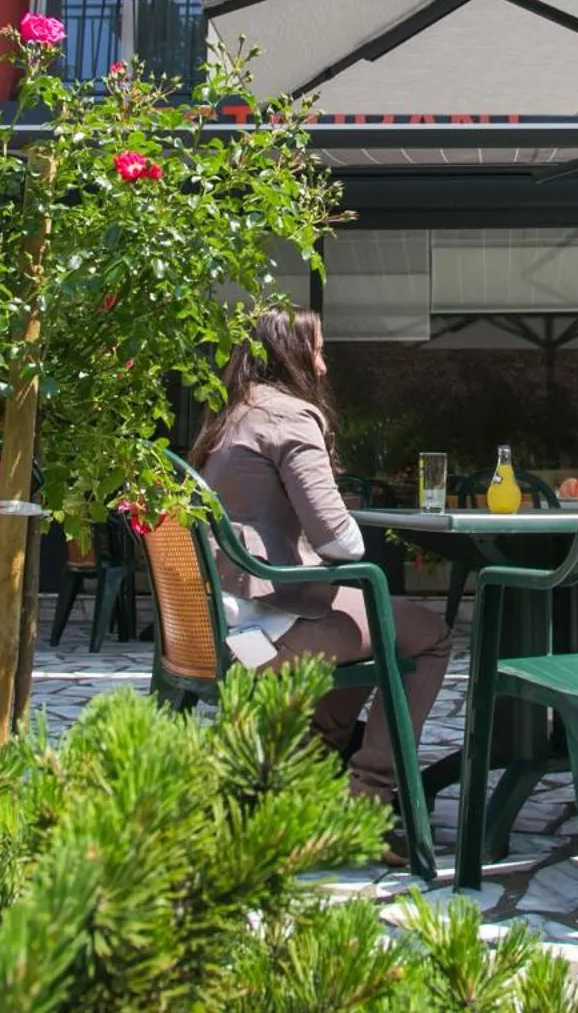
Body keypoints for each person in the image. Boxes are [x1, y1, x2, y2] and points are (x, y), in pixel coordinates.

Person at [189, 307, 452, 839]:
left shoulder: (231, 415)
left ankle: (307, 771)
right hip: (270, 628)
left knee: (365, 616)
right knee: (428, 634)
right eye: (317, 351)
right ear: (291, 356)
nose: (324, 366)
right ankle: (369, 796)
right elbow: (342, 540)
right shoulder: (289, 417)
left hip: (224, 624)